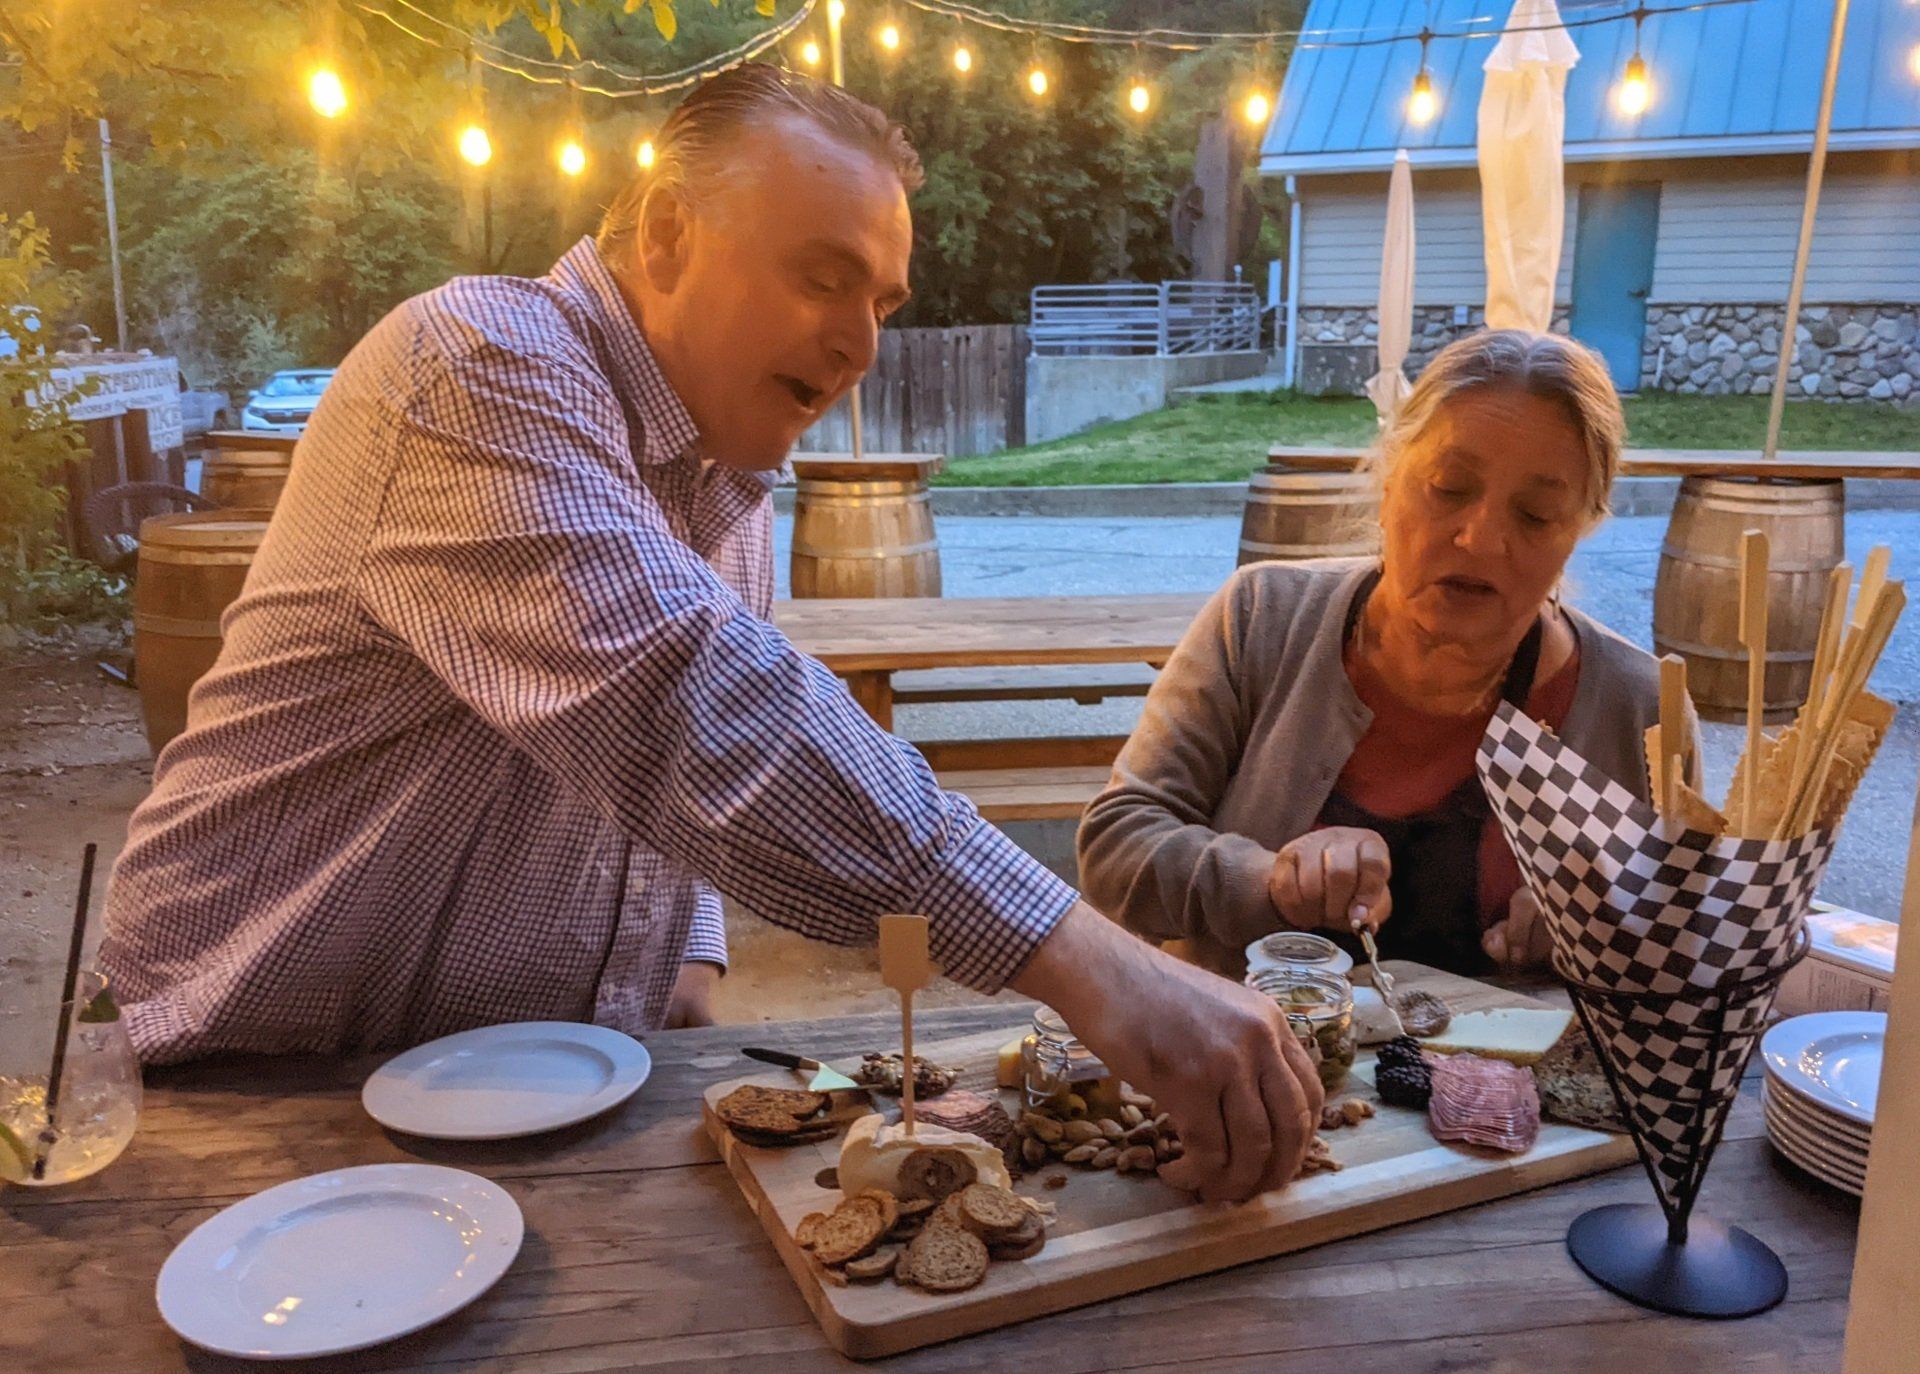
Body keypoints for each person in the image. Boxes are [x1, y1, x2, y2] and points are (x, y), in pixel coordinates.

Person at [98, 66, 1321, 1202]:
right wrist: (1094, 964)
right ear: (669, 235)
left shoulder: (726, 485)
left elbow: (660, 763)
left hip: (522, 1095)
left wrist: (683, 948)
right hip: (237, 1085)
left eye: (883, 302)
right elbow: (698, 706)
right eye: (822, 277)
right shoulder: (473, 361)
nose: (861, 344)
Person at [1078, 330, 1696, 980]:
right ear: (1389, 480)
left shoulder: (1639, 711)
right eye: (1449, 487)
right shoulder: (1262, 619)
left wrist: (1597, 936)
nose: (1481, 538)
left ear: (1582, 528)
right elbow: (1116, 846)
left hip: (1524, 1053)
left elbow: (1684, 946)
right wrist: (1269, 880)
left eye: (1536, 515)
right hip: (1247, 1042)